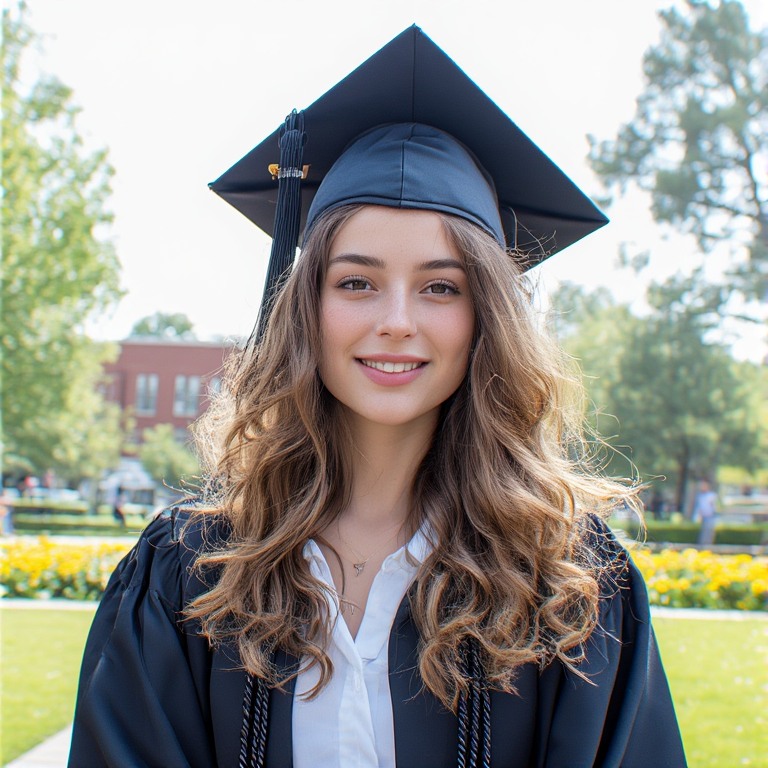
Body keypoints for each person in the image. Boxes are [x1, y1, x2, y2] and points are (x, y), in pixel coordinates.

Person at [69, 27, 686, 767]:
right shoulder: (190, 575)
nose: (396, 321)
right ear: (307, 309)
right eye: (356, 281)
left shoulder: (569, 589)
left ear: (485, 316)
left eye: (440, 287)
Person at [693, 479, 718, 546]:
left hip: (710, 517)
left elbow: (715, 506)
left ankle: (708, 546)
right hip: (703, 517)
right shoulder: (700, 496)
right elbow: (699, 507)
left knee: (709, 533)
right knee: (703, 534)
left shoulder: (712, 495)